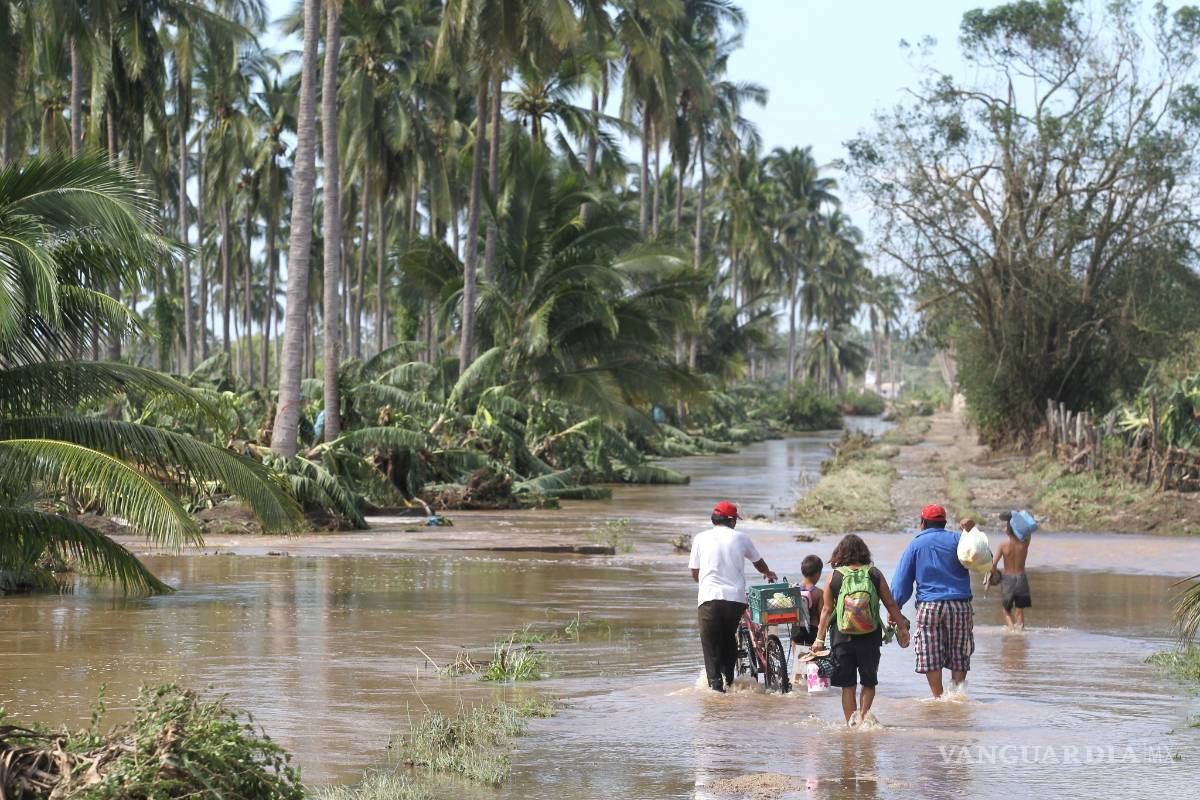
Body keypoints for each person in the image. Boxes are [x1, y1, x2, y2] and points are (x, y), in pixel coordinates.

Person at [810, 534, 905, 726]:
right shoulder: (874, 573)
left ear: (840, 553)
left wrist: (819, 640)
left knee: (848, 685)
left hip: (841, 637)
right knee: (868, 682)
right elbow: (890, 604)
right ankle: (863, 718)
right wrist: (902, 628)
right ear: (864, 552)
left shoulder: (833, 577)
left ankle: (851, 725)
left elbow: (827, 610)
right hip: (870, 636)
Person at [688, 501, 777, 693]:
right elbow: (758, 562)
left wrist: (703, 581)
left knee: (710, 641)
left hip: (709, 598)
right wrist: (768, 573)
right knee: (728, 636)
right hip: (735, 599)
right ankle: (728, 679)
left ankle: (716, 685)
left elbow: (694, 572)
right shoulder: (741, 538)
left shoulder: (700, 538)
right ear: (731, 521)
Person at [890, 504, 975, 698]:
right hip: (960, 605)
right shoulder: (957, 539)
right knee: (960, 651)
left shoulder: (915, 545)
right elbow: (980, 556)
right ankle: (957, 694)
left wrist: (895, 607)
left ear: (922, 523)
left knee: (930, 651)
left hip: (930, 607)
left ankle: (938, 697)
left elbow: (902, 581)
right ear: (944, 523)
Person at [991, 510, 1034, 630]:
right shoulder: (1024, 544)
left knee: (1006, 610)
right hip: (1021, 578)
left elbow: (993, 564)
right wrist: (1019, 518)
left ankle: (1012, 631)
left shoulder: (1003, 545)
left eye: (1006, 526)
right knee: (1019, 610)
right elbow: (1029, 531)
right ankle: (1019, 633)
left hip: (1008, 580)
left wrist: (993, 576)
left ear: (1009, 530)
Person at [790, 555, 824, 684]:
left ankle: (795, 686)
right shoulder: (819, 593)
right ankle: (811, 690)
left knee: (799, 663)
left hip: (796, 630)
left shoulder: (793, 590)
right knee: (812, 665)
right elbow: (822, 615)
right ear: (817, 574)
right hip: (813, 631)